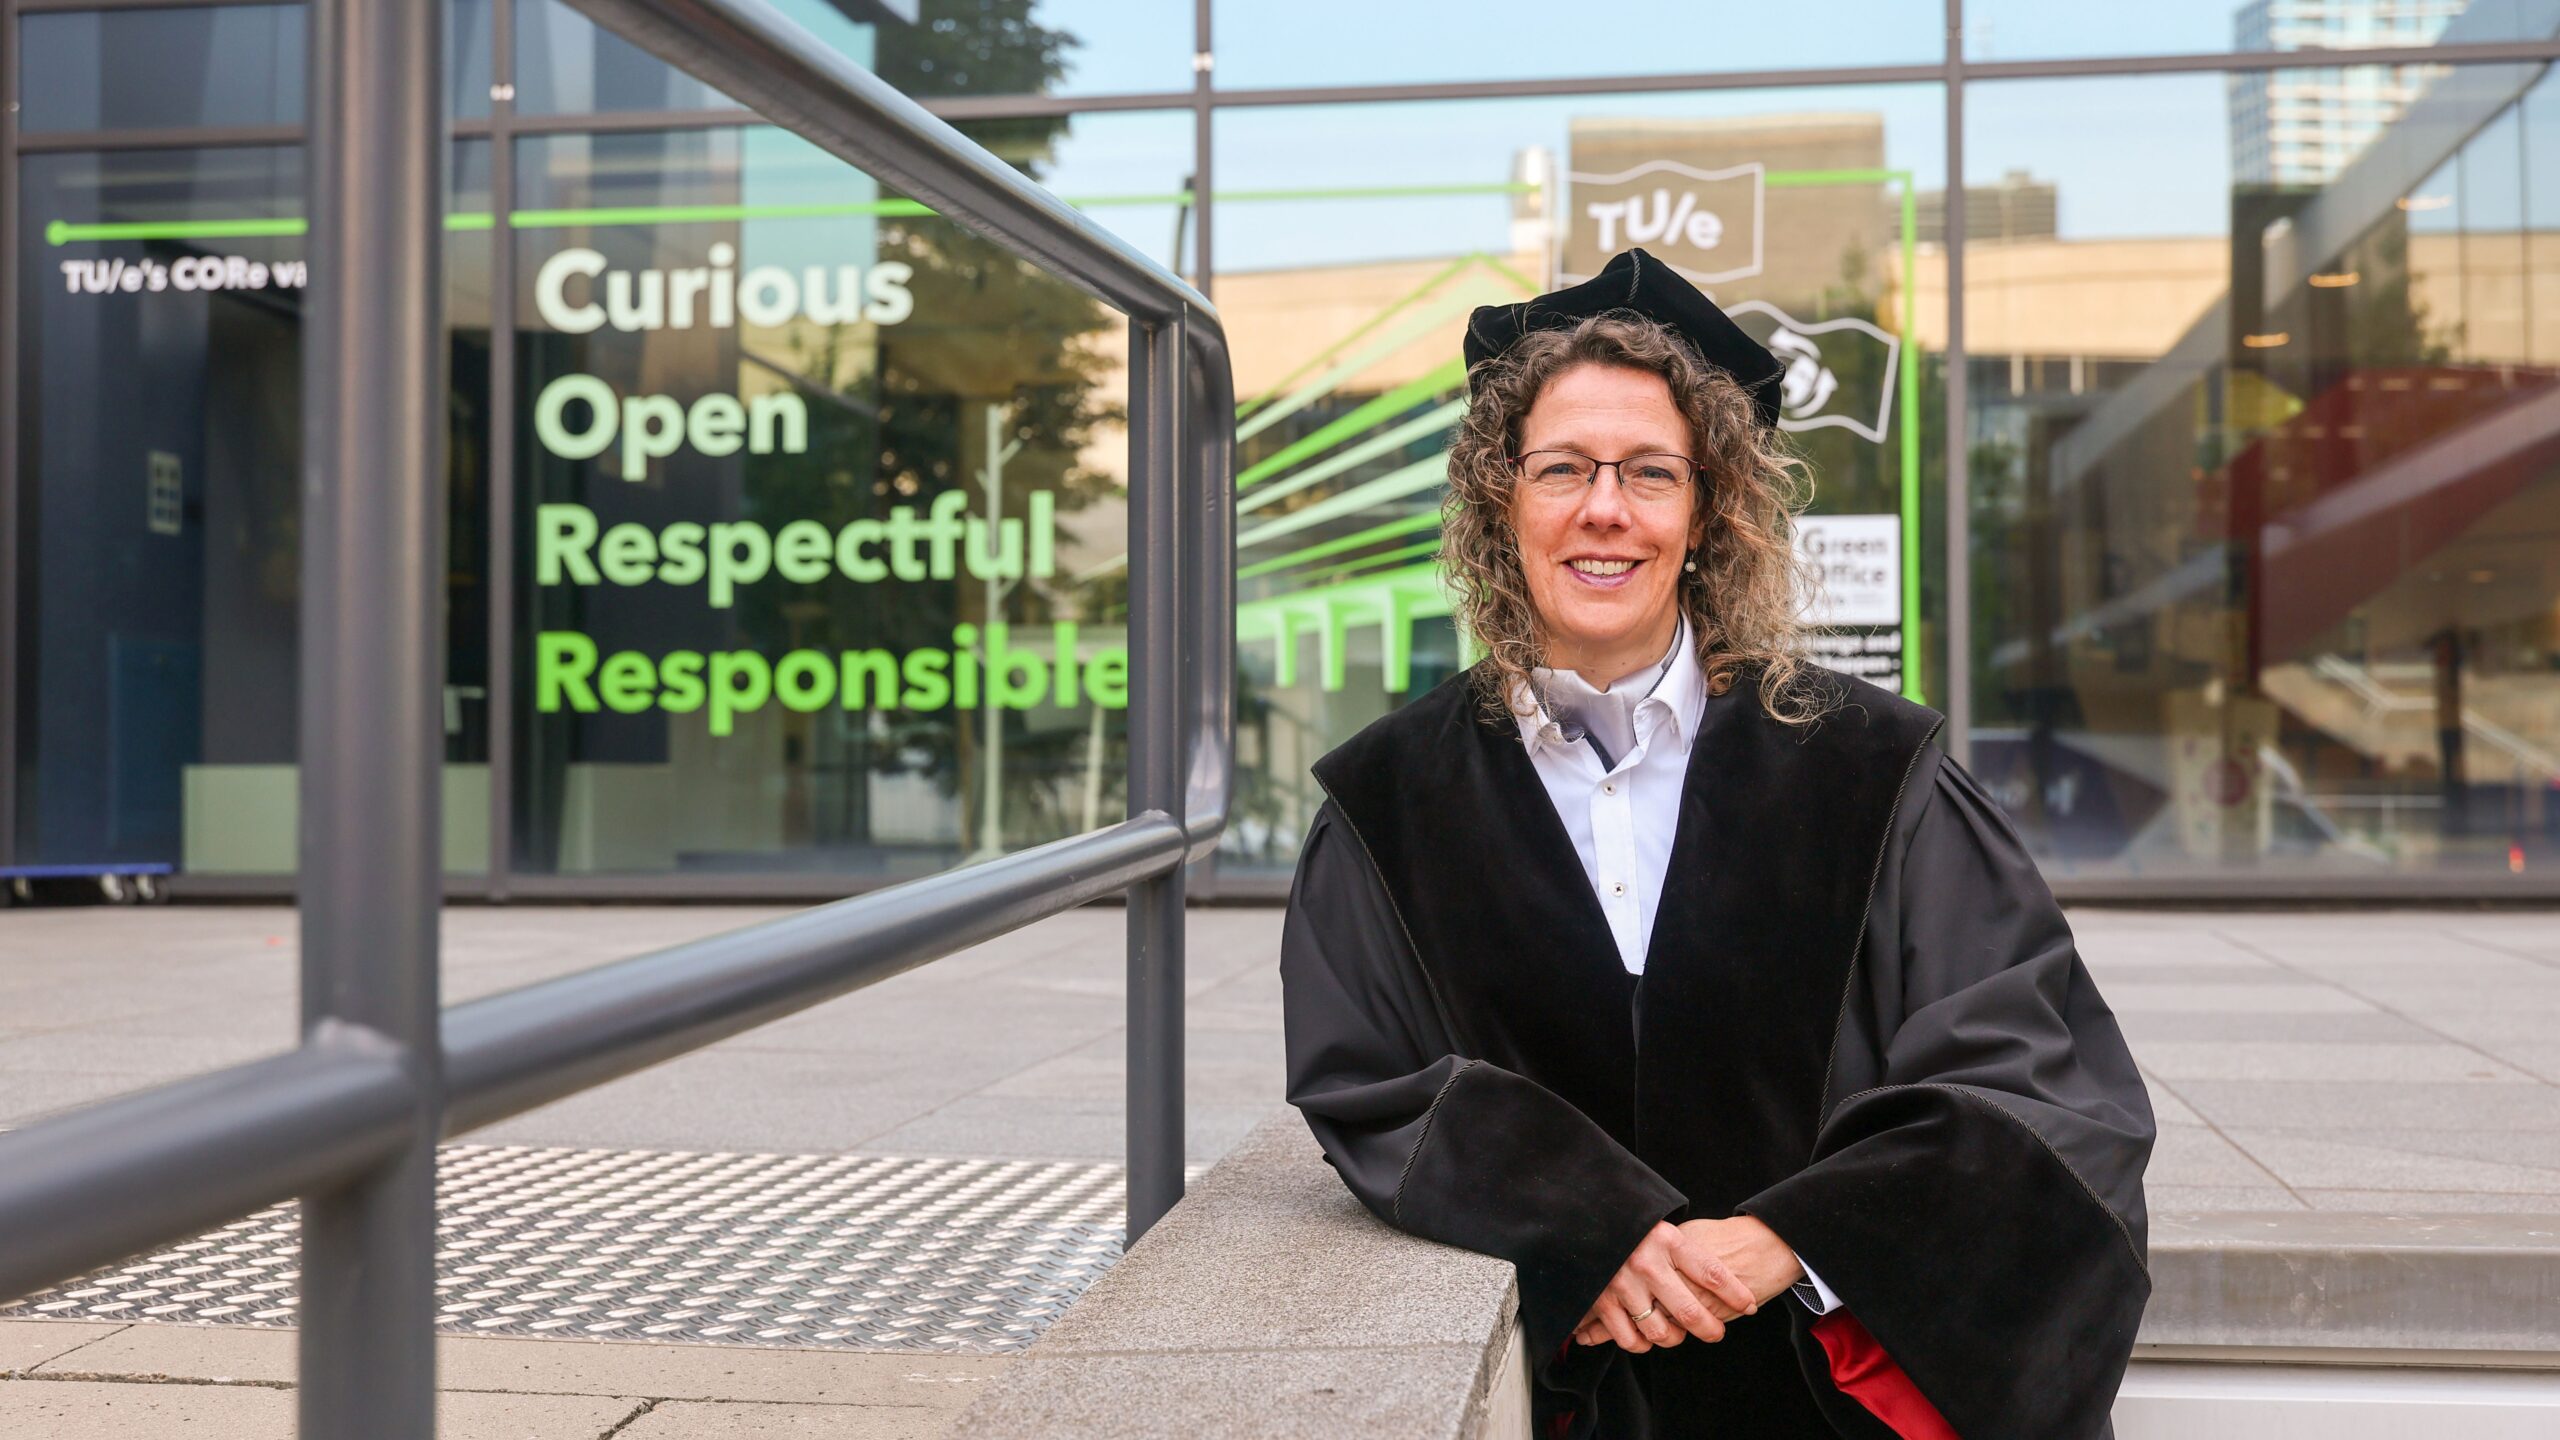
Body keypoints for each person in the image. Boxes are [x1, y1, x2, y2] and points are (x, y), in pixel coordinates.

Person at [1280, 248, 2154, 1439]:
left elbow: (2033, 1080)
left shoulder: (1871, 771)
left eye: (1650, 472)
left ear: (1704, 513)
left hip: (1824, 1401)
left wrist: (1793, 1236)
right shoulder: (1387, 804)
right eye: (1561, 469)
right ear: (1502, 502)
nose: (1605, 509)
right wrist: (1584, 1230)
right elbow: (1368, 1079)